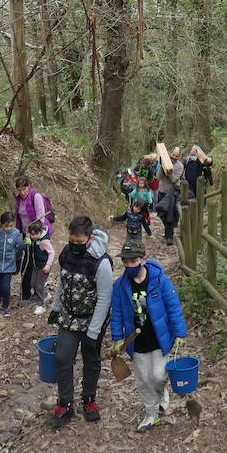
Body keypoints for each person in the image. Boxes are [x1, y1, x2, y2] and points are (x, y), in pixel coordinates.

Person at [109, 235, 188, 432]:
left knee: (159, 376)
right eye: (125, 262)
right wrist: (118, 338)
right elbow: (117, 312)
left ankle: (161, 395)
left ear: (143, 259)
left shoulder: (159, 280)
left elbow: (173, 306)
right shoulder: (120, 286)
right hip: (137, 341)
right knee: (143, 379)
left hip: (160, 338)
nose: (129, 265)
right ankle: (151, 413)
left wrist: (180, 333)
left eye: (133, 261)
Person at [48, 216, 113, 426]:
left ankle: (89, 399)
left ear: (90, 237)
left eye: (79, 242)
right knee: (62, 357)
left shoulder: (101, 263)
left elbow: (105, 298)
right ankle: (65, 403)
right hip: (69, 317)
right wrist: (56, 308)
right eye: (72, 241)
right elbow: (62, 282)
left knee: (91, 360)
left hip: (92, 319)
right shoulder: (66, 254)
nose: (75, 246)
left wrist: (93, 332)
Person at [0, 212, 24, 315]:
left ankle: (6, 306)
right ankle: (0, 298)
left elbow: (19, 246)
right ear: (1, 224)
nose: (8, 228)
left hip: (9, 264)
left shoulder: (16, 233)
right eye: (6, 226)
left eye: (11, 226)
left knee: (6, 286)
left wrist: (24, 244)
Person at [23, 219, 57, 315]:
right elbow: (27, 233)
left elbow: (52, 253)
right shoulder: (32, 239)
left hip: (43, 267)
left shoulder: (44, 241)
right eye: (31, 234)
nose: (33, 236)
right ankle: (45, 294)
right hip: (35, 266)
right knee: (33, 283)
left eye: (35, 234)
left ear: (40, 232)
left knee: (39, 285)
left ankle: (42, 305)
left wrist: (48, 265)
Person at [154, 148, 184, 245]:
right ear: (170, 154)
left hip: (173, 192)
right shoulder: (165, 163)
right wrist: (162, 167)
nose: (174, 157)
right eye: (173, 155)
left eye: (176, 156)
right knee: (163, 214)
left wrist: (170, 172)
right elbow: (158, 177)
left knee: (170, 215)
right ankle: (168, 231)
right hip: (162, 191)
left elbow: (174, 179)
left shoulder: (180, 166)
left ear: (179, 156)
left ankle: (169, 236)